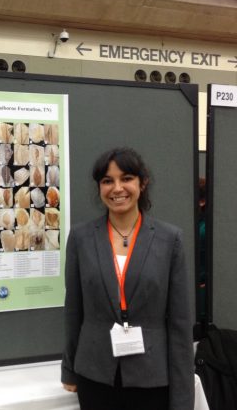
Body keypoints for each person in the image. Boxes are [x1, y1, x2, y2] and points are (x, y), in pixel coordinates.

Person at [61, 147, 194, 410]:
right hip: (95, 374)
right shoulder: (81, 238)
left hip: (152, 377)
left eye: (126, 178)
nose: (117, 188)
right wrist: (69, 369)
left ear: (142, 183)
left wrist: (183, 396)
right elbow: (73, 310)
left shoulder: (169, 239)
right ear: (99, 187)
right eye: (107, 181)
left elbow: (180, 323)